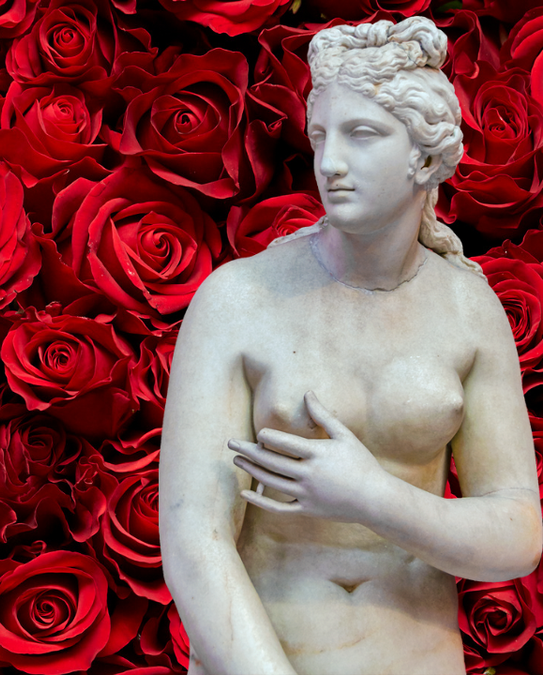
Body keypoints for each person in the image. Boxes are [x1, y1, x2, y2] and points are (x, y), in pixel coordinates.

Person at [158, 16, 543, 675]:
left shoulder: (467, 309)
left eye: (361, 135)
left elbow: (517, 537)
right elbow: (197, 540)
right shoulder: (241, 300)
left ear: (424, 155)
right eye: (320, 135)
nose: (330, 162)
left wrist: (372, 496)